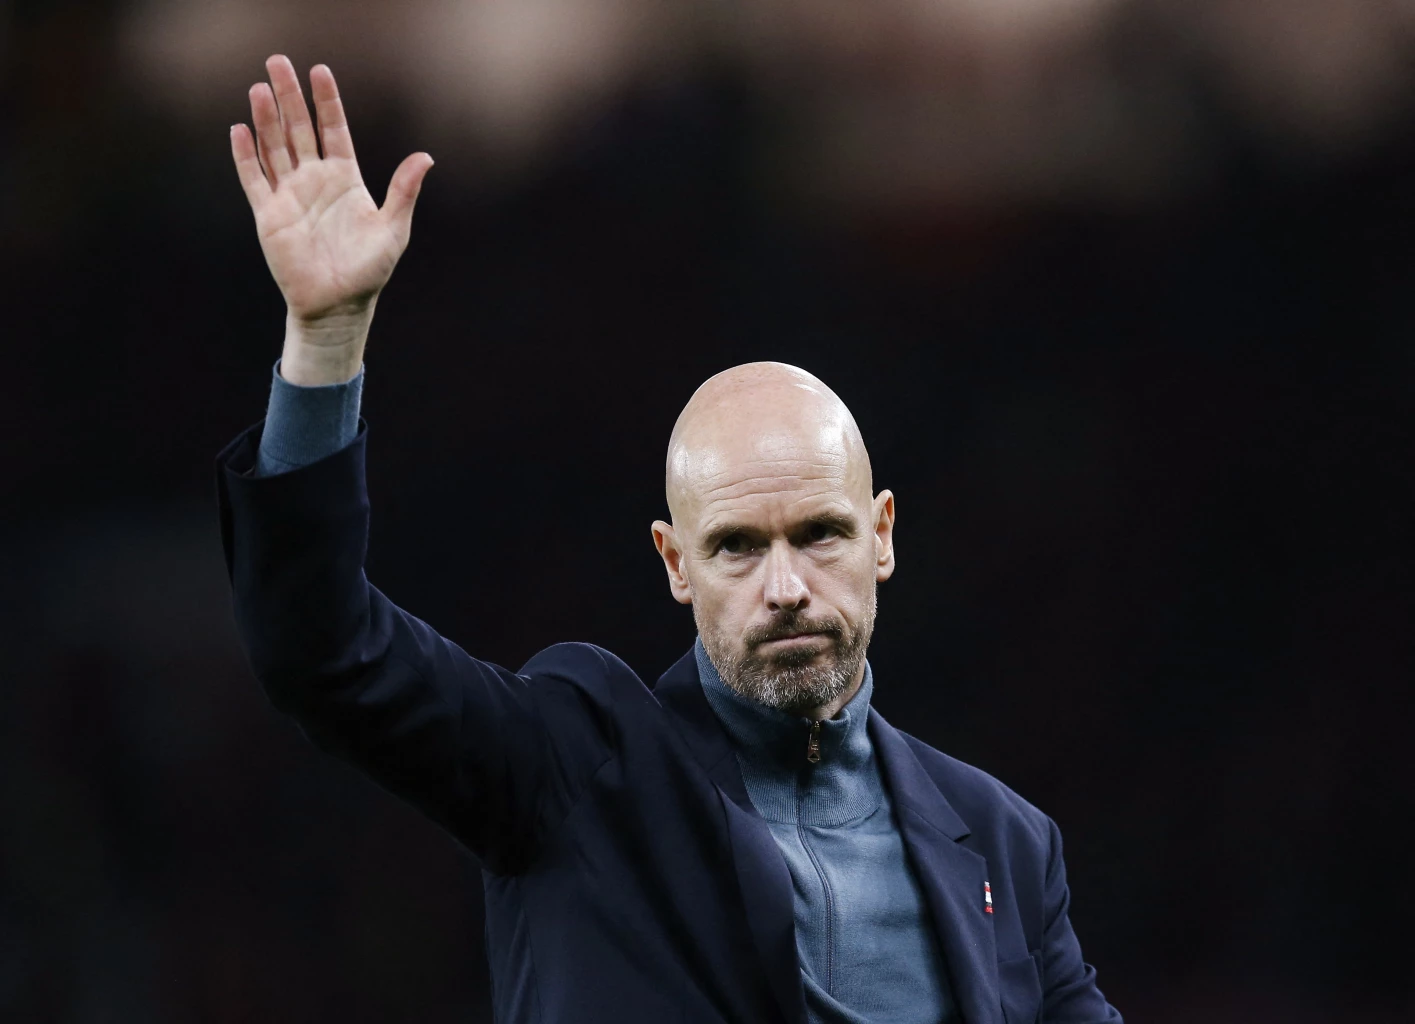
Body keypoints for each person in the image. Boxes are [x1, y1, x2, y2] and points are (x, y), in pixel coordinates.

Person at [218, 55, 1123, 1024]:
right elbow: (326, 654)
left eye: (819, 534)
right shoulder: (575, 772)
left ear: (882, 535)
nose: (785, 586)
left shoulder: (1002, 842)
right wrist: (324, 341)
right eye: (737, 545)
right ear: (674, 563)